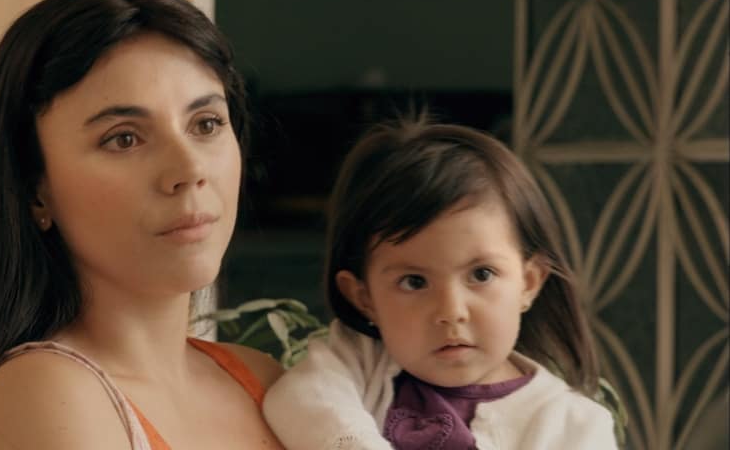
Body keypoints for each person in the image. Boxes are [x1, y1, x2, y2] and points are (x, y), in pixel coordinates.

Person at [0, 0, 284, 450]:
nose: (189, 170)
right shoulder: (44, 393)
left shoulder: (262, 382)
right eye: (124, 138)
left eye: (206, 124)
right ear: (34, 188)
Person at [263, 117, 618, 449]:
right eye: (414, 282)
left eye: (481, 274)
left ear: (528, 283)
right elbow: (298, 397)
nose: (451, 311)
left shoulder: (575, 425)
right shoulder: (358, 361)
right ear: (364, 297)